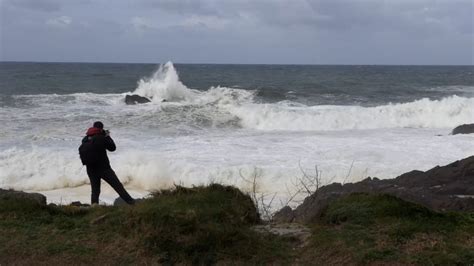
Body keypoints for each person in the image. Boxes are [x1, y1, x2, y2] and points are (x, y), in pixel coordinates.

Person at [79, 121, 135, 205]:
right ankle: (131, 203)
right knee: (118, 186)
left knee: (95, 191)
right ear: (101, 128)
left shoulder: (85, 139)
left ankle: (94, 207)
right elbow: (112, 148)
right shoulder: (101, 137)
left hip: (90, 169)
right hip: (104, 168)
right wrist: (108, 136)